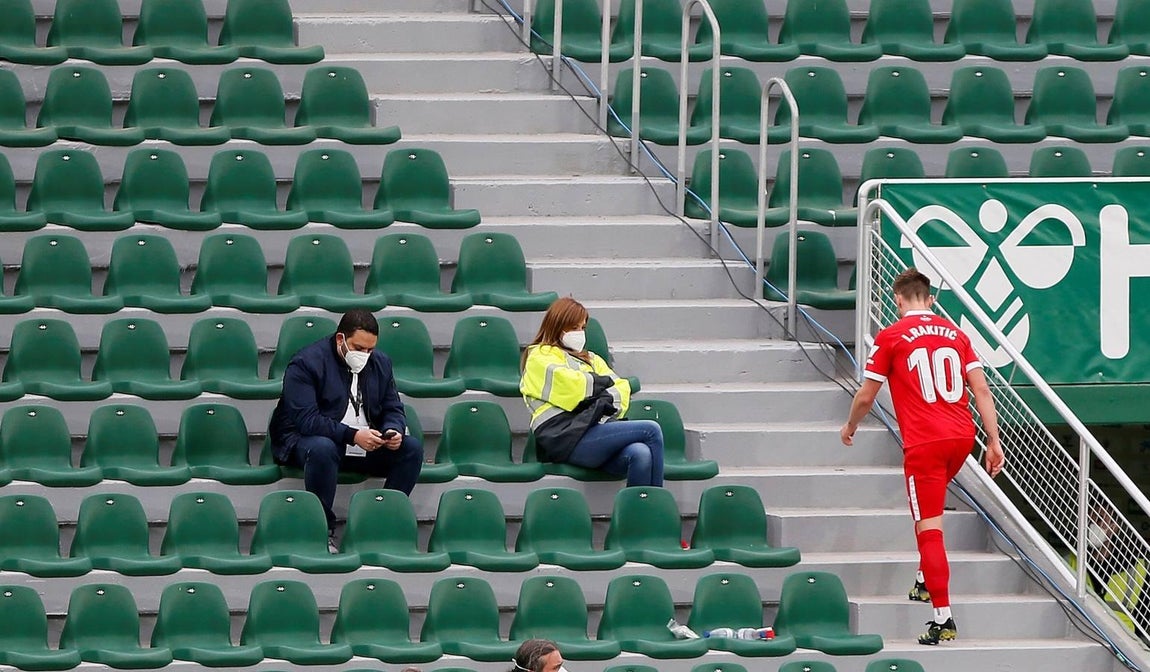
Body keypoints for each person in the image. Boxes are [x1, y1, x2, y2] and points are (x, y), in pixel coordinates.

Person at [840, 268, 1005, 646]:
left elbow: (866, 395)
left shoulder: (891, 336)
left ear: (897, 300)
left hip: (925, 443)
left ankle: (942, 617)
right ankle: (922, 578)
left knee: (929, 529)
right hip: (962, 437)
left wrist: (850, 425)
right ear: (930, 299)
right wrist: (993, 440)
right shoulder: (957, 334)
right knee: (930, 509)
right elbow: (980, 388)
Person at [269, 309, 423, 551]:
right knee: (322, 448)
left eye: (370, 349)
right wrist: (352, 435)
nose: (365, 355)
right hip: (308, 442)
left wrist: (393, 430)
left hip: (363, 442)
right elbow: (306, 421)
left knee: (411, 448)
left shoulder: (380, 363)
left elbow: (393, 406)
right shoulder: (306, 363)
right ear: (341, 339)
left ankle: (378, 528)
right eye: (359, 348)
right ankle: (322, 531)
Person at [520, 297, 664, 486]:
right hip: (561, 438)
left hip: (593, 432)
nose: (579, 333)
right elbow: (572, 388)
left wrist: (594, 394)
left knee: (641, 453)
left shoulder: (592, 359)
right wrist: (601, 389)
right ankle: (656, 507)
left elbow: (622, 389)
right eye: (574, 328)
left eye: (582, 328)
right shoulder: (539, 355)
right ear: (557, 326)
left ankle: (639, 512)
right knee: (651, 430)